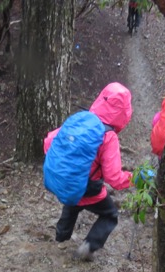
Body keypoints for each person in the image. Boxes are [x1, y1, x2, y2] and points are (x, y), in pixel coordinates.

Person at [44, 82, 134, 261]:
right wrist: (135, 178)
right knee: (110, 215)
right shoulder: (108, 137)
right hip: (90, 187)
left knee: (73, 203)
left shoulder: (81, 120)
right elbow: (114, 178)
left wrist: (69, 166)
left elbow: (48, 142)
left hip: (70, 181)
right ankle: (90, 245)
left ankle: (61, 237)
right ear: (124, 112)